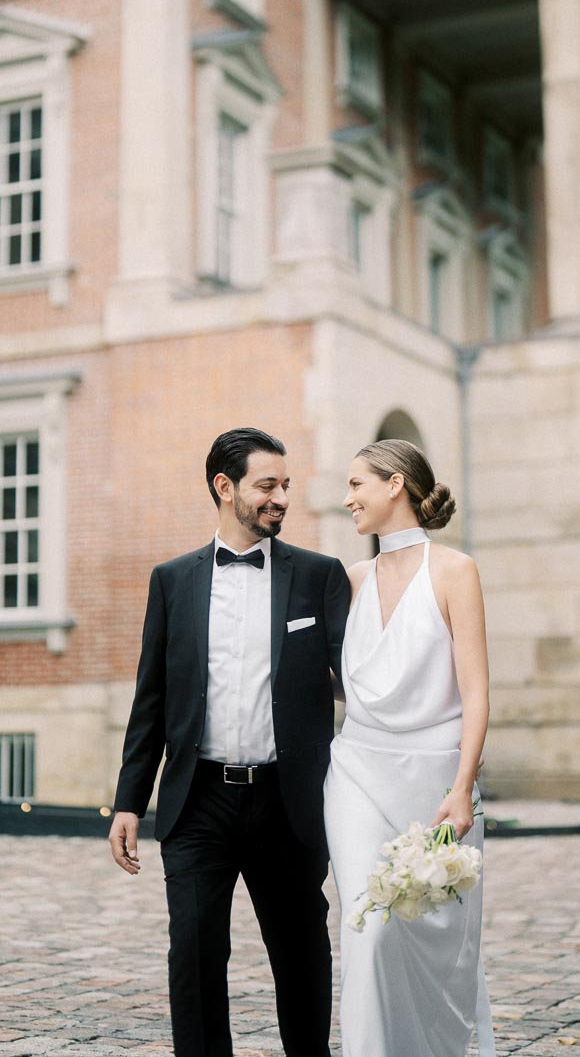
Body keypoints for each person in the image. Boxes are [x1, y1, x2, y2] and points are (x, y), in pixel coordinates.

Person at [108, 427, 351, 1057]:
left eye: (285, 486)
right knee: (193, 954)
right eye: (267, 485)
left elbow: (361, 683)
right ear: (225, 487)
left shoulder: (320, 578)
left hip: (287, 803)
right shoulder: (172, 581)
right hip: (198, 802)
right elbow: (151, 698)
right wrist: (129, 801)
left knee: (302, 955)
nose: (280, 499)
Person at [324, 438, 496, 1057]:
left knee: (426, 935)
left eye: (356, 485)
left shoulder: (455, 571)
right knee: (366, 928)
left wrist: (461, 789)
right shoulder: (348, 580)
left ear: (395, 484)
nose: (347, 499)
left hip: (435, 781)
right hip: (357, 774)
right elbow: (332, 682)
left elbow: (476, 694)